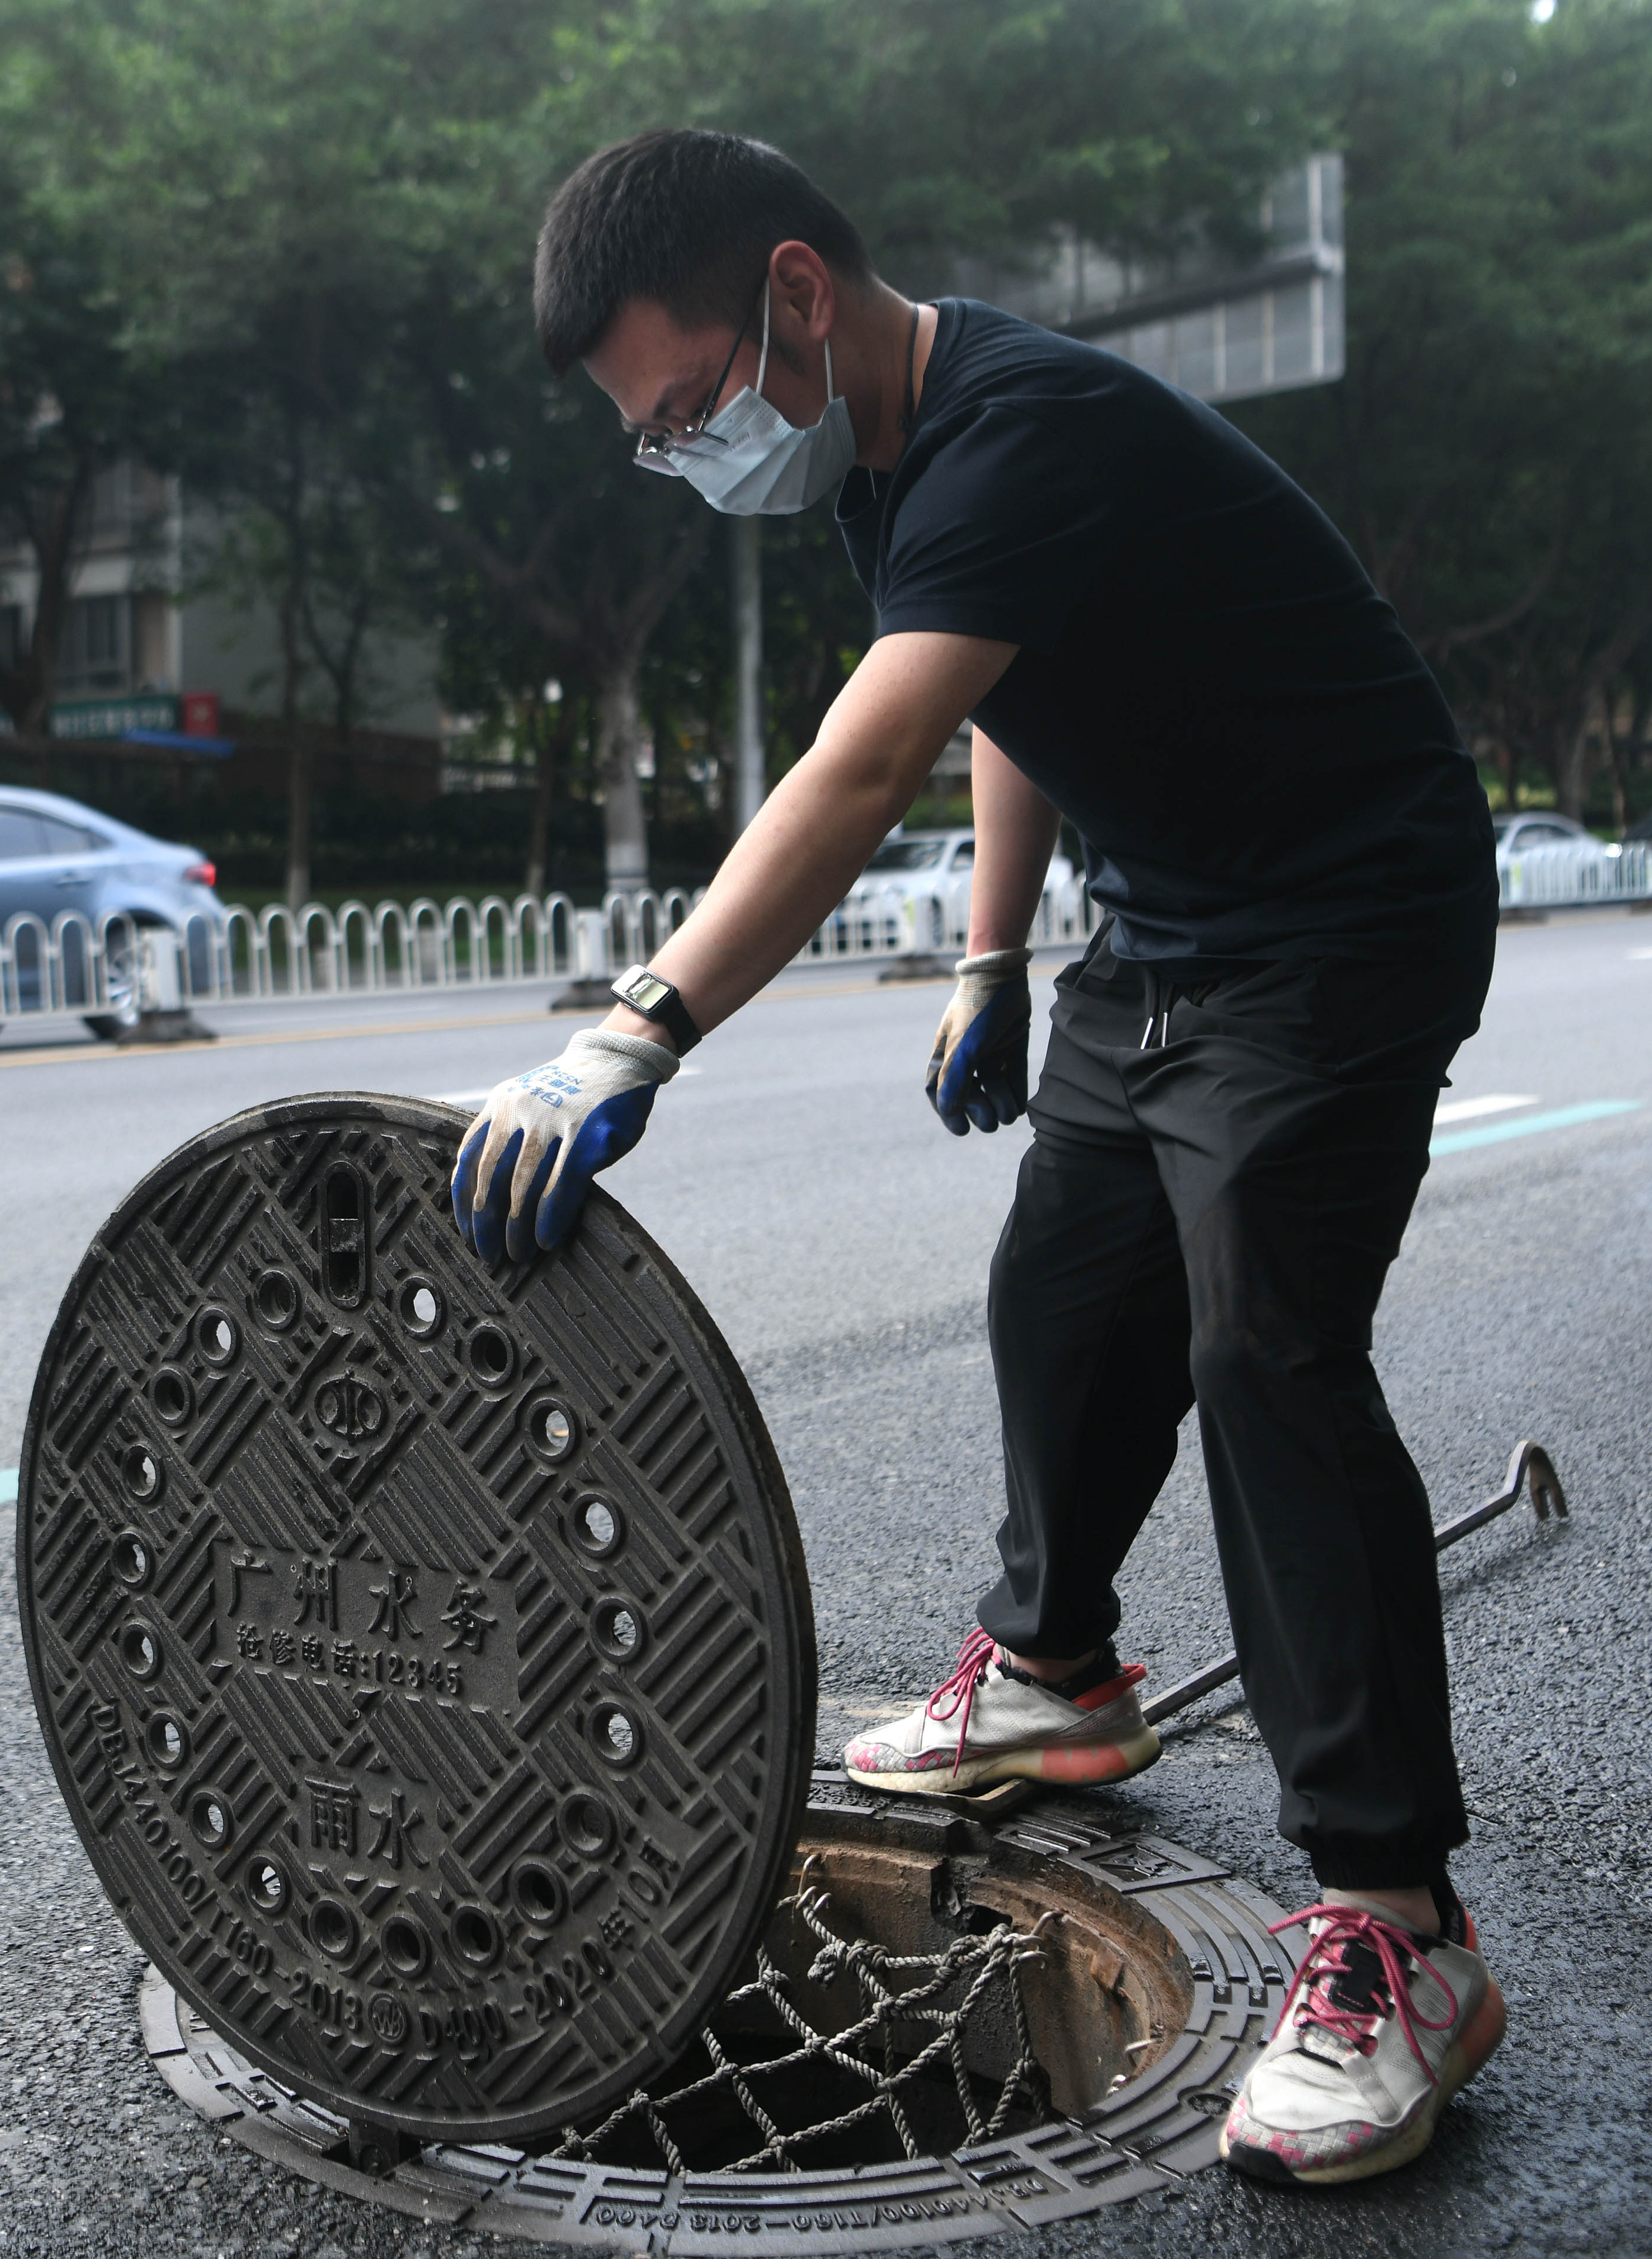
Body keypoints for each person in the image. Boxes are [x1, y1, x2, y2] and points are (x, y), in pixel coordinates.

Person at [449, 129, 1504, 2187]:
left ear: (794, 297)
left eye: (684, 413)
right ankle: (1055, 1675)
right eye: (650, 444)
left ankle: (1403, 1926)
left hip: (1346, 913)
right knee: (1061, 1283)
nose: (683, 457)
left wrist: (632, 1028)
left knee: (1262, 1346)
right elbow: (1009, 696)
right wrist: (999, 951)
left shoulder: (1024, 428)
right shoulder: (892, 460)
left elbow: (864, 763)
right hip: (1171, 915)